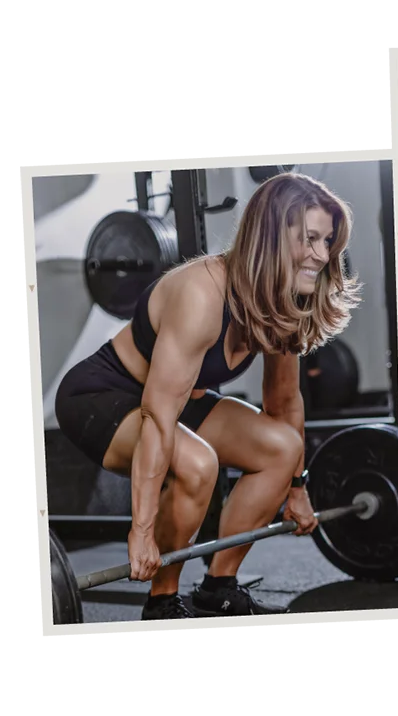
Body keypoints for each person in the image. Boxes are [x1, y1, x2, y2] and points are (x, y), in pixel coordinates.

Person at [54, 173, 361, 620]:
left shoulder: (285, 300)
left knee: (283, 448)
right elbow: (159, 417)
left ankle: (218, 586)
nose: (322, 253)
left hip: (175, 401)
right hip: (101, 395)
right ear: (271, 237)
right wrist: (141, 532)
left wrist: (297, 488)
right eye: (310, 238)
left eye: (328, 240)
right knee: (198, 464)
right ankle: (162, 599)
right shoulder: (201, 292)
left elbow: (284, 405)